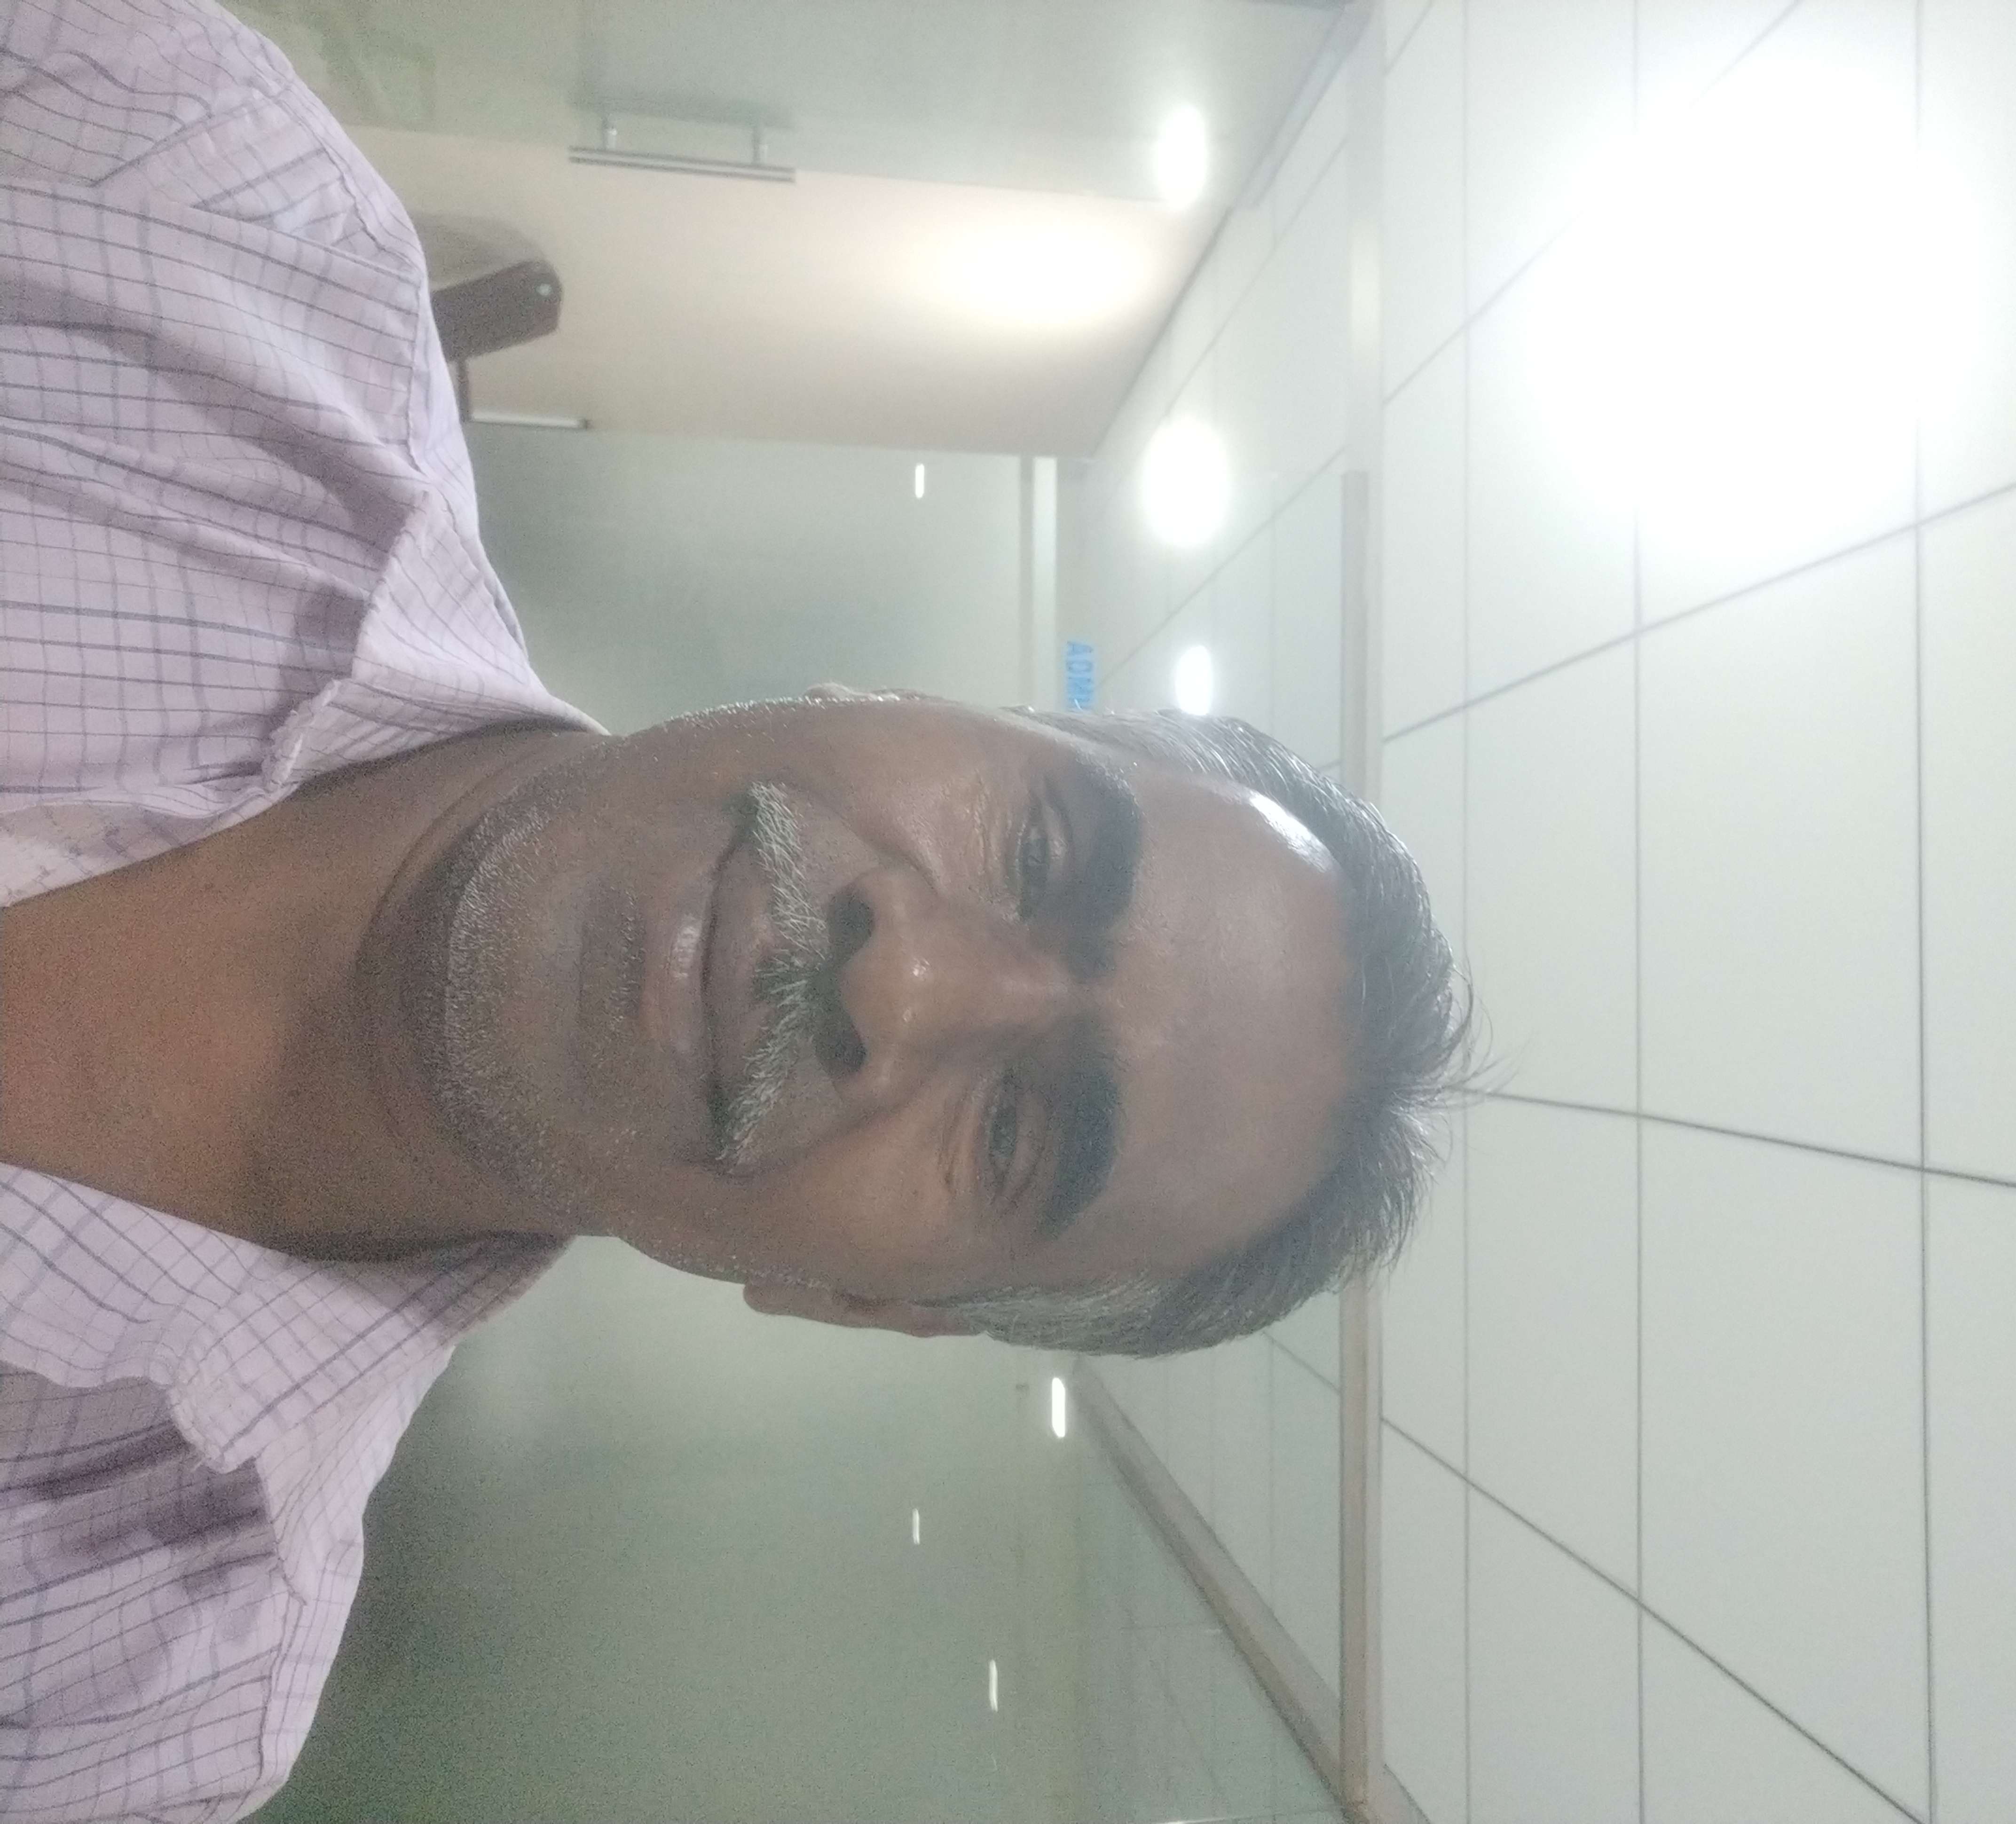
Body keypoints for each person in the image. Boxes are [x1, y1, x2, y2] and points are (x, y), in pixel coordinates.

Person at [0, 0, 1469, 1818]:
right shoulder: (193, 198)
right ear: (904, 696)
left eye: (1021, 1132)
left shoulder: (132, 1705)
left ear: (865, 1305)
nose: (904, 978)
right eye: (1037, 851)